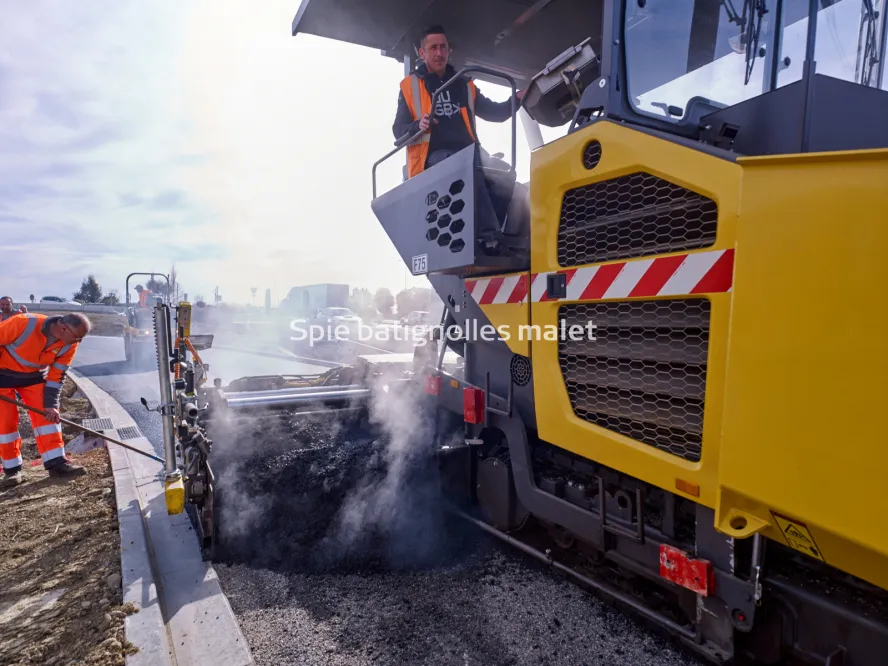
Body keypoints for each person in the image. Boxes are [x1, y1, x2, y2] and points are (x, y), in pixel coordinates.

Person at [393, 24, 525, 179]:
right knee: (464, 168)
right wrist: (419, 125)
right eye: (433, 48)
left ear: (449, 51)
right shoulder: (411, 86)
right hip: (434, 158)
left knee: (504, 174)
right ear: (422, 53)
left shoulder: (463, 84)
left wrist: (517, 99)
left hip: (468, 152)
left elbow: (495, 113)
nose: (439, 53)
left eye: (443, 47)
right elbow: (399, 131)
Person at [0, 312, 91, 487]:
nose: (78, 342)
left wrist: (51, 405)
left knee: (48, 417)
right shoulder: (23, 323)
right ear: (63, 328)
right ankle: (12, 470)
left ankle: (57, 462)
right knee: (5, 423)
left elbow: (57, 375)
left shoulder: (68, 344)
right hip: (2, 376)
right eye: (77, 337)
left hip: (34, 378)